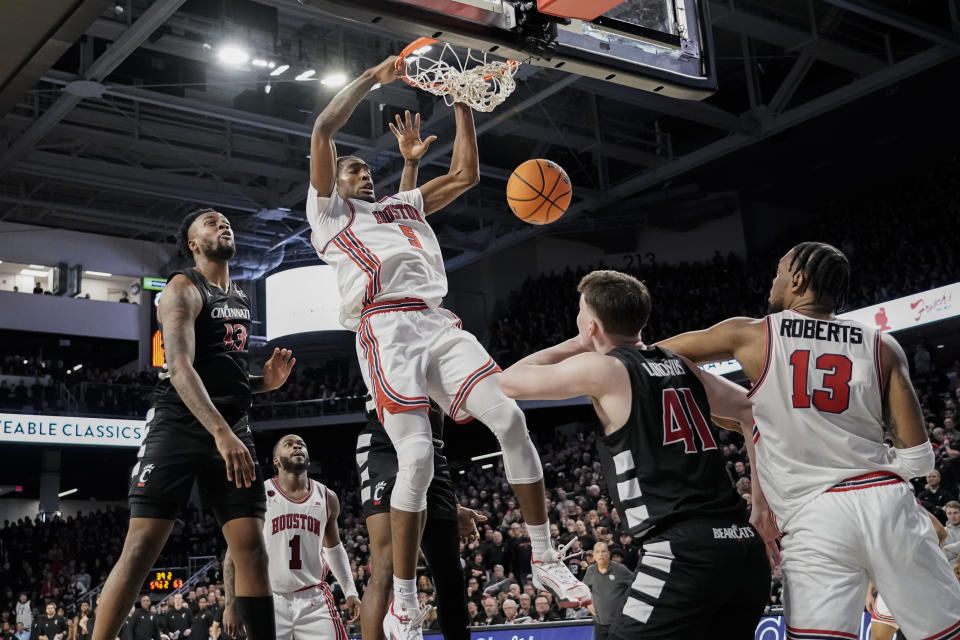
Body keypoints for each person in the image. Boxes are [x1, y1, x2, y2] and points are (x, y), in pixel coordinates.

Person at [307, 57, 588, 639]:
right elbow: (323, 132)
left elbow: (464, 174)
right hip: (385, 329)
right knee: (418, 459)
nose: (361, 173)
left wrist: (461, 99)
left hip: (437, 321)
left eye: (364, 169)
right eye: (351, 169)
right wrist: (368, 80)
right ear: (333, 184)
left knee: (510, 419)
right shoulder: (331, 217)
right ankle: (405, 602)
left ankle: (544, 556)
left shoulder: (403, 207)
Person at [657, 242, 960, 637]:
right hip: (887, 505)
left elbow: (656, 355)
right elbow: (920, 461)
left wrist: (722, 404)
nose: (774, 278)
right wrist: (873, 467)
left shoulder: (752, 334)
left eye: (779, 271)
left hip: (813, 516)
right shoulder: (881, 345)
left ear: (797, 280)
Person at [500, 270, 772, 638]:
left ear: (592, 324)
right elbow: (750, 411)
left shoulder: (606, 369)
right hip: (742, 546)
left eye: (581, 312)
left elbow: (510, 381)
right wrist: (760, 506)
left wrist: (580, 343)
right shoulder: (681, 363)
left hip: (681, 550)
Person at [90, 208, 296, 640]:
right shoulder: (182, 287)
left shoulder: (240, 296)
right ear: (193, 244)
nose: (223, 225)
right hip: (179, 424)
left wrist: (263, 383)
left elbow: (227, 378)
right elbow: (181, 369)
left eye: (225, 221)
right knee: (141, 548)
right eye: (209, 222)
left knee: (253, 553)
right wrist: (221, 433)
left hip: (231, 425)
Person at [356, 399, 484, 640]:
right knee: (385, 565)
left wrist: (452, 506)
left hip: (431, 446)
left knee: (450, 572)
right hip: (385, 440)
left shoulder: (445, 365)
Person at [222, 433, 360, 640]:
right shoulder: (259, 493)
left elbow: (333, 549)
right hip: (269, 598)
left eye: (301, 445)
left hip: (314, 598)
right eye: (289, 445)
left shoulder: (326, 496)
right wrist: (231, 604)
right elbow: (234, 553)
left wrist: (351, 591)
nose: (297, 447)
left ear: (308, 458)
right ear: (276, 461)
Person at [582, 542, 633, 640]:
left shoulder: (620, 569)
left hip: (619, 623)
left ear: (608, 554)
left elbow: (635, 585)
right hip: (599, 623)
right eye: (597, 552)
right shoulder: (590, 570)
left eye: (603, 551)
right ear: (594, 556)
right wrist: (588, 603)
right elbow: (583, 589)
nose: (600, 554)